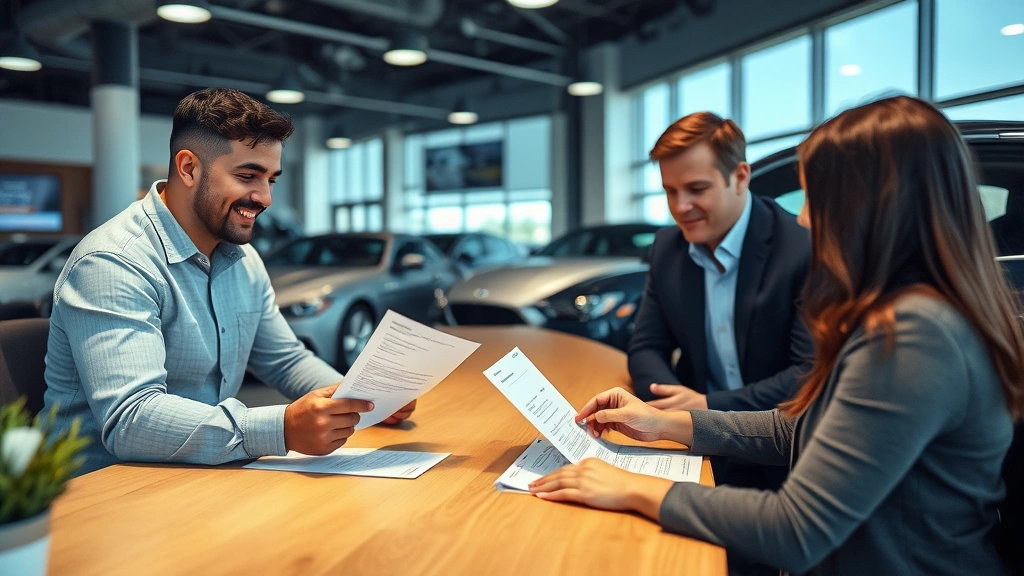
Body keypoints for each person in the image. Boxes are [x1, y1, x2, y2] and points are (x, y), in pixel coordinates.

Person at [528, 96, 1024, 575]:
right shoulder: (908, 313)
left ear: (873, 208)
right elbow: (804, 427)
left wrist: (632, 487)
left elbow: (797, 529)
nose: (804, 218)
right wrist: (668, 423)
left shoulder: (915, 336)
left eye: (816, 199)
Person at [43, 88, 415, 476]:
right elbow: (131, 419)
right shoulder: (114, 261)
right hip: (100, 486)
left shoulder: (243, 260)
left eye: (271, 179)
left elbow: (284, 360)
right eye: (248, 176)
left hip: (200, 471)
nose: (265, 198)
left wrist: (359, 401)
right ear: (189, 168)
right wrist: (281, 428)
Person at [629, 112, 811, 414]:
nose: (680, 207)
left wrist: (706, 408)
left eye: (697, 189)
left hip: (777, 434)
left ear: (740, 177)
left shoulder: (800, 246)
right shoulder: (667, 248)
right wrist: (673, 410)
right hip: (691, 431)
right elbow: (646, 347)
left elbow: (808, 373)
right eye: (670, 191)